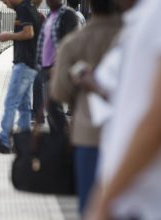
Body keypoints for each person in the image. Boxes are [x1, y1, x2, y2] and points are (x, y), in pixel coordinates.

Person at [82, 0, 161, 219]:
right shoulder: (142, 18)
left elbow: (156, 120)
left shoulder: (156, 15)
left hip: (141, 207)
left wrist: (104, 201)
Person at [49, 0, 120, 216]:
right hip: (129, 136)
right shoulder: (134, 37)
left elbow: (59, 92)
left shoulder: (73, 43)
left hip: (89, 137)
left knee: (90, 207)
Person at [0, 0, 41, 154]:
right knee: (24, 107)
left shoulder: (24, 9)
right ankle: (24, 143)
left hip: (23, 65)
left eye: (5, 0)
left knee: (10, 102)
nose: (5, 3)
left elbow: (28, 33)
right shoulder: (30, 9)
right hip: (30, 65)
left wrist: (7, 36)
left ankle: (4, 141)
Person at [32, 0, 78, 123]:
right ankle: (56, 131)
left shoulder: (68, 15)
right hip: (45, 66)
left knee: (53, 105)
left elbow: (70, 42)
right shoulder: (50, 16)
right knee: (52, 106)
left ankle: (61, 134)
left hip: (55, 67)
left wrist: (60, 64)